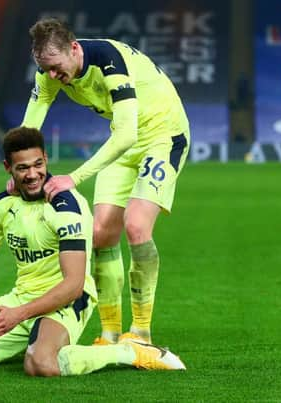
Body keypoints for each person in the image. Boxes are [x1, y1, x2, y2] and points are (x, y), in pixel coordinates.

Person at [0, 127, 185, 376]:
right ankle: (31, 338)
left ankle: (129, 352)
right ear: (7, 168)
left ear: (46, 158)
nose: (32, 175)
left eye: (38, 165)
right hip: (21, 299)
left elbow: (74, 284)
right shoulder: (0, 207)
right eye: (22, 168)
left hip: (66, 302)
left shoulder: (67, 206)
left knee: (40, 364)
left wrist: (19, 315)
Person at [19, 18, 191, 345]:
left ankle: (141, 331)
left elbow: (127, 134)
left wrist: (74, 177)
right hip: (123, 141)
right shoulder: (49, 71)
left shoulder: (108, 59)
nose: (52, 77)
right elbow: (32, 121)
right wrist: (19, 169)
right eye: (45, 69)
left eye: (56, 68)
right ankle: (110, 333)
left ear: (74, 49)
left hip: (163, 136)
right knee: (100, 234)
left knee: (137, 226)